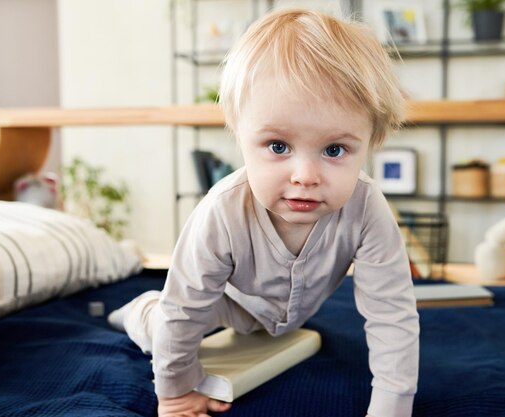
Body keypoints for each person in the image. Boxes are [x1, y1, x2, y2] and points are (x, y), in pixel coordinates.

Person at [109, 7, 419, 417]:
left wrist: (391, 409)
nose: (305, 176)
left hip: (287, 321)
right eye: (278, 146)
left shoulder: (367, 208)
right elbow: (185, 311)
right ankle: (138, 310)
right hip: (226, 300)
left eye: (334, 150)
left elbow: (392, 316)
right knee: (167, 325)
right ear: (239, 132)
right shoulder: (222, 211)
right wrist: (177, 391)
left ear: (369, 142)